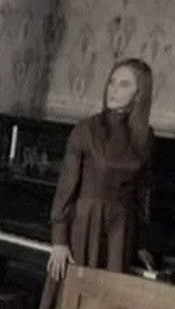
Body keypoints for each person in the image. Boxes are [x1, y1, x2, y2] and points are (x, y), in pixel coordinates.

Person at [47, 58, 156, 281]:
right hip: (85, 226)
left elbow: (141, 193)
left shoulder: (146, 136)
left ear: (139, 94)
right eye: (111, 82)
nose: (113, 90)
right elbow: (65, 188)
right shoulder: (87, 129)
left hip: (120, 232)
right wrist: (59, 240)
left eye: (124, 84)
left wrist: (141, 244)